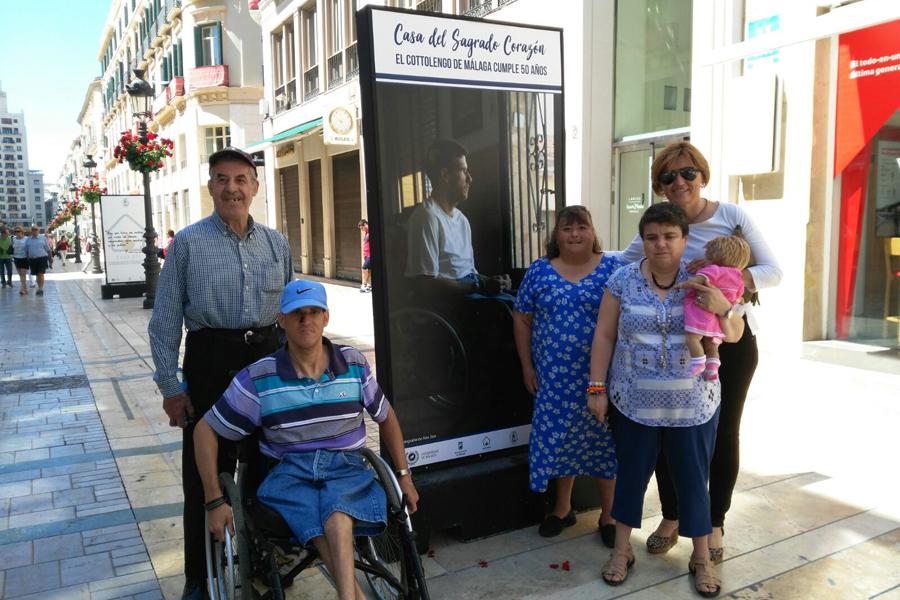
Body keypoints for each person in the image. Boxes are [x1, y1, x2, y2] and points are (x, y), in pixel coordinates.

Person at [195, 279, 419, 600]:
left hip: (346, 467)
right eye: (297, 313)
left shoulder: (353, 364)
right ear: (281, 320)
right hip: (290, 472)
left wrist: (403, 476)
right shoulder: (260, 377)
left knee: (336, 511)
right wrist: (214, 500)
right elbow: (205, 430)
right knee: (330, 513)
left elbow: (386, 416)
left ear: (326, 317)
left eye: (314, 312)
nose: (306, 320)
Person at [617, 141, 782, 565]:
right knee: (670, 432)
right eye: (668, 176)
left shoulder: (731, 216)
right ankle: (672, 517)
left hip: (729, 337)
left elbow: (773, 271)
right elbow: (623, 263)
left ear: (702, 175)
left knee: (723, 433)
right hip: (673, 348)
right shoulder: (661, 226)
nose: (680, 182)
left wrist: (725, 281)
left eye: (688, 173)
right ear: (659, 186)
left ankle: (715, 521)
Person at [148, 146, 293, 600]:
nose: (232, 188)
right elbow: (165, 320)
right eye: (223, 179)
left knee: (272, 460)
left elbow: (289, 312)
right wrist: (172, 388)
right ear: (211, 186)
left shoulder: (277, 242)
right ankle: (198, 576)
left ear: (254, 186)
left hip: (267, 358)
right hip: (212, 358)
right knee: (204, 470)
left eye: (241, 179)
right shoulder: (189, 243)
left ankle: (268, 557)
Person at [590, 203, 744, 596]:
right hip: (634, 401)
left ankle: (701, 558)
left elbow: (736, 333)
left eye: (670, 236)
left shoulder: (706, 279)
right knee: (630, 478)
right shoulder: (622, 280)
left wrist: (722, 307)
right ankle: (622, 551)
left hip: (692, 404)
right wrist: (597, 388)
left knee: (694, 481)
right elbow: (604, 335)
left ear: (685, 240)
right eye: (652, 236)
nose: (661, 244)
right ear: (642, 240)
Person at [512, 205, 619, 543]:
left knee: (604, 442)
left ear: (592, 232)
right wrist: (527, 365)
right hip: (554, 378)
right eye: (567, 228)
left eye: (581, 227)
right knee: (560, 440)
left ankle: (610, 514)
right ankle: (562, 508)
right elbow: (521, 317)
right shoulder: (540, 271)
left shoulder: (614, 268)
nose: (574, 234)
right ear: (556, 235)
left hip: (601, 378)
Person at [405, 139, 510, 296]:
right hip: (452, 303)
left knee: (524, 303)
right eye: (463, 171)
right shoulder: (427, 218)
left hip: (471, 291)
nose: (470, 179)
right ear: (445, 175)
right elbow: (425, 284)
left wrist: (494, 282)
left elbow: (470, 274)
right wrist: (478, 287)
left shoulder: (462, 220)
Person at [681, 236, 751, 380]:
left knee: (693, 339)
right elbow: (739, 296)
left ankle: (698, 361)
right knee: (712, 346)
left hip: (702, 315)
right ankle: (712, 368)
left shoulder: (713, 270)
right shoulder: (739, 277)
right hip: (718, 322)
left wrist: (681, 285)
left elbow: (700, 280)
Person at [25, 226, 51, 296]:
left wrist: (50, 258)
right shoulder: (28, 239)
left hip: (42, 258)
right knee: (36, 275)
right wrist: (27, 259)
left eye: (36, 229)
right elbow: (26, 250)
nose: (34, 231)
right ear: (31, 231)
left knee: (40, 273)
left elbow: (48, 249)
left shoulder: (43, 238)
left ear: (39, 230)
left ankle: (40, 288)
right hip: (32, 259)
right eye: (33, 230)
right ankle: (39, 287)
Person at [11, 227, 28, 294]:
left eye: (18, 231)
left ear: (22, 231)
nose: (17, 233)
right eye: (15, 231)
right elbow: (12, 247)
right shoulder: (13, 239)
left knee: (23, 274)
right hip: (16, 258)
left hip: (24, 258)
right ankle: (25, 288)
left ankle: (22, 289)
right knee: (20, 275)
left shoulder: (26, 239)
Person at [358, 219, 371, 293]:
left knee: (364, 268)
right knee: (369, 270)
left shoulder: (370, 231)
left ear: (365, 224)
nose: (362, 230)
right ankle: (369, 286)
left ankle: (364, 285)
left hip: (370, 255)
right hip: (366, 255)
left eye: (362, 228)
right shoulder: (366, 232)